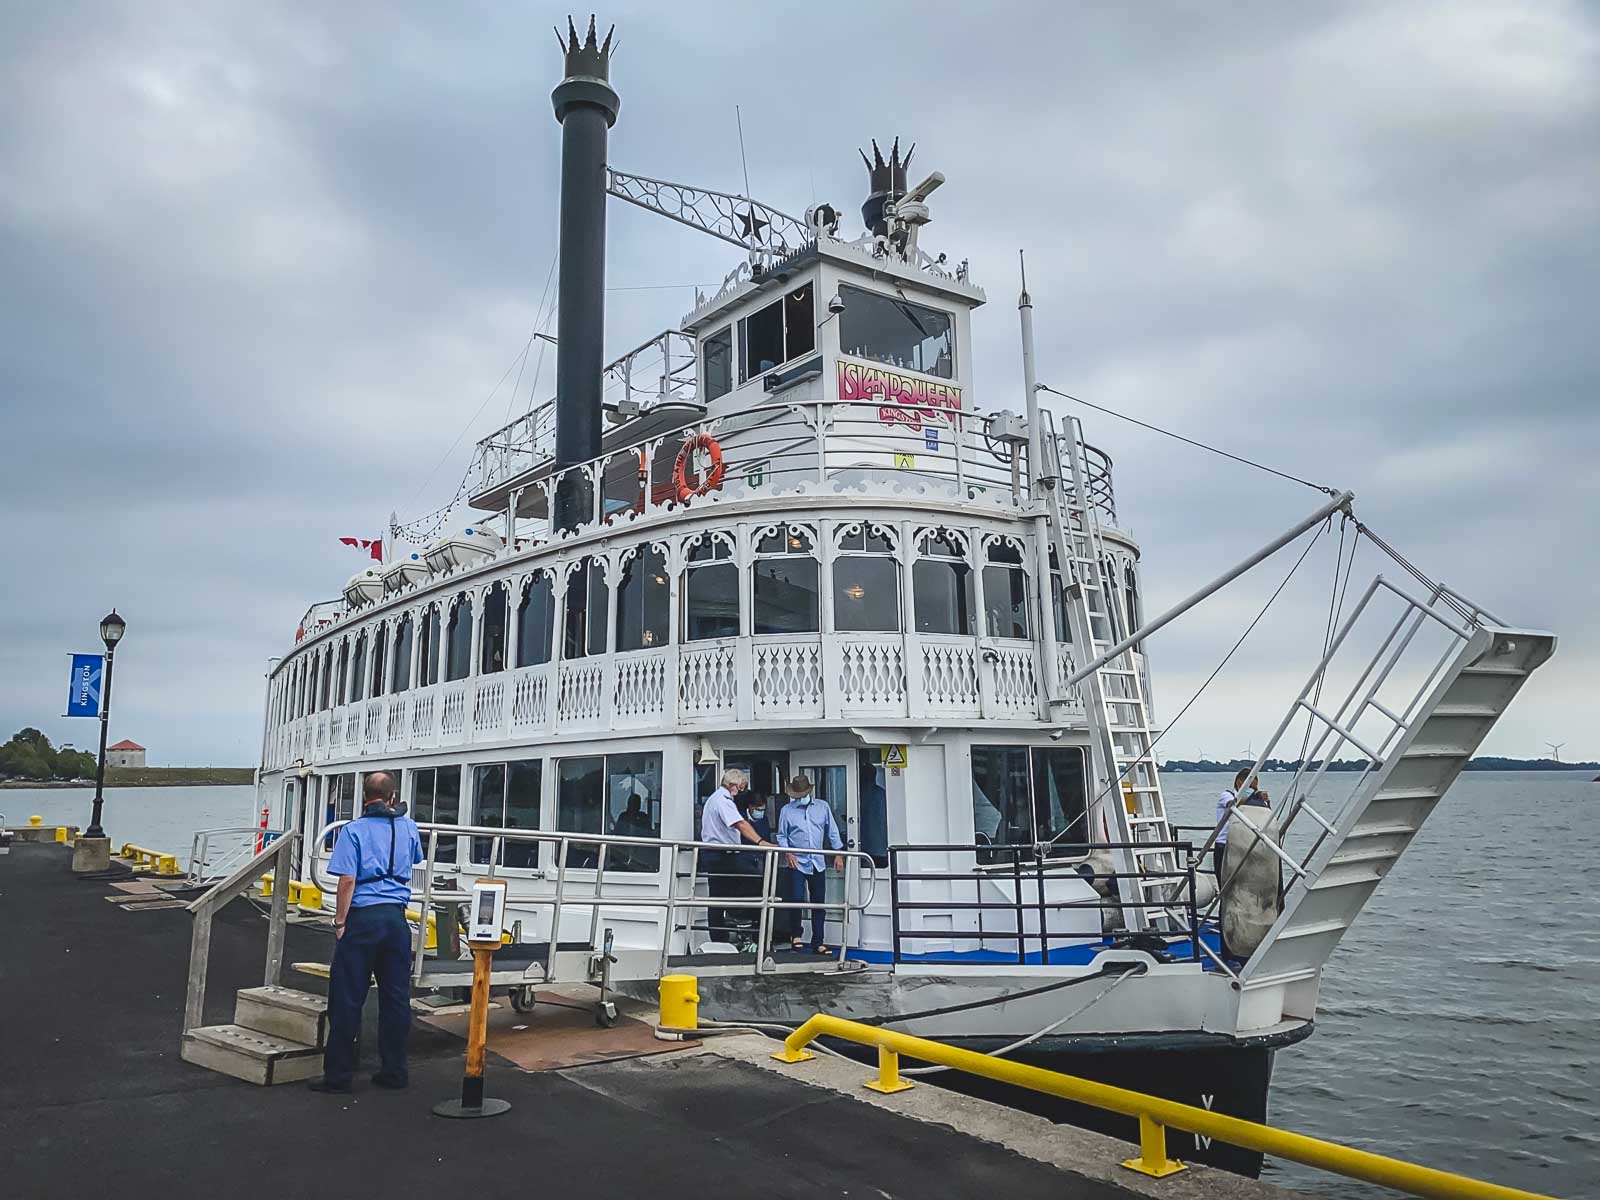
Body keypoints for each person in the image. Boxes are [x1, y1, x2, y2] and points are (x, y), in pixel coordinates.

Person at [309, 771, 424, 1094]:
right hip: (396, 920)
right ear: (392, 797)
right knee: (396, 998)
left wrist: (340, 922)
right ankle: (395, 1070)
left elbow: (347, 881)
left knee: (347, 998)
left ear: (364, 796)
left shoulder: (353, 831)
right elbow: (415, 859)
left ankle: (338, 1076)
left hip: (362, 919)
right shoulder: (409, 826)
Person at [699, 768, 775, 943]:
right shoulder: (723, 801)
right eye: (741, 787)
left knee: (717, 897)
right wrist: (760, 842)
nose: (742, 791)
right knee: (755, 878)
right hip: (722, 854)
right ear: (733, 785)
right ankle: (737, 915)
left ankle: (719, 937)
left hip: (714, 854)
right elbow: (740, 823)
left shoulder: (714, 799)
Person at [776, 776, 845, 954]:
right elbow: (782, 835)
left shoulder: (823, 807)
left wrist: (838, 853)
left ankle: (818, 941)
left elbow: (832, 830)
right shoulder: (787, 810)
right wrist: (788, 852)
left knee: (818, 902)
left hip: (818, 861)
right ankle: (796, 935)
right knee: (796, 899)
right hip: (797, 862)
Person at [1214, 769, 1256, 879]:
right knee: (1224, 879)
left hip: (1242, 845)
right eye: (1251, 787)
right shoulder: (1226, 795)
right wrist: (1251, 798)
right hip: (1224, 844)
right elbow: (1232, 805)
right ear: (1239, 783)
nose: (1253, 790)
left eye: (1255, 788)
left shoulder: (1253, 800)